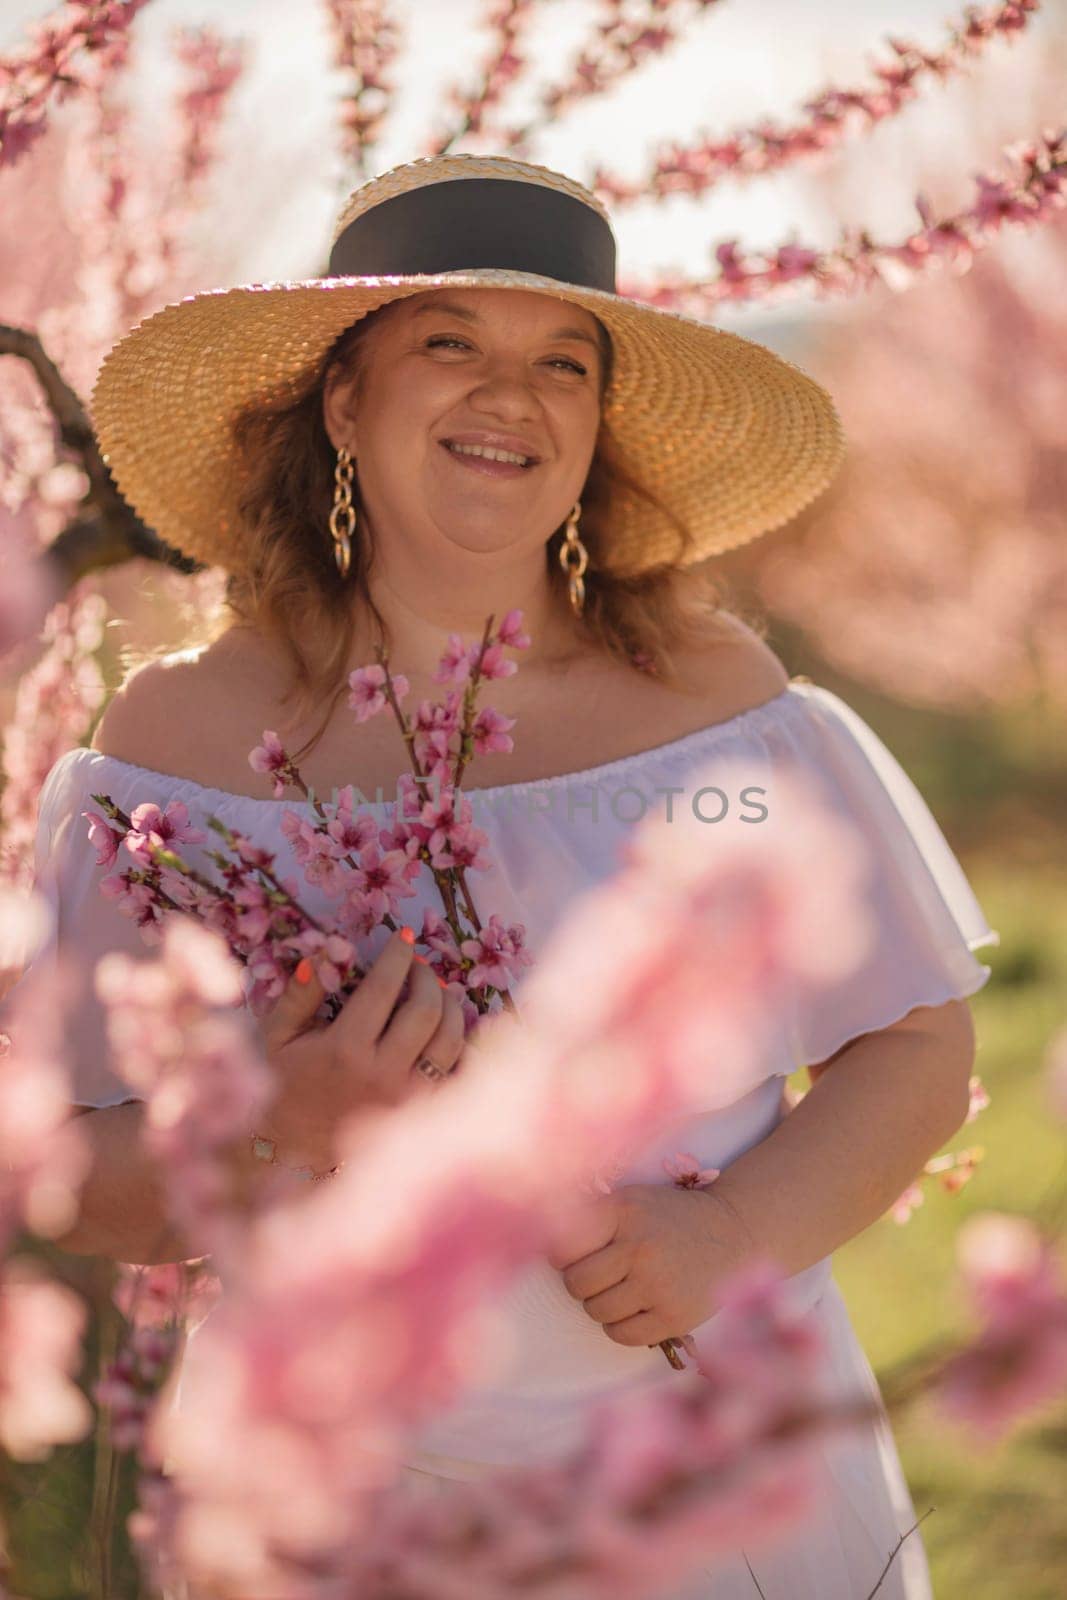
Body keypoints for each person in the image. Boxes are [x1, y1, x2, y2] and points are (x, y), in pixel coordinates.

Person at [10, 153, 999, 1598]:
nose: (511, 397)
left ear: (597, 426)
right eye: (449, 344)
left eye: (563, 363)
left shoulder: (715, 714)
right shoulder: (177, 753)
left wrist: (733, 1231)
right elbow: (63, 1171)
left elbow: (912, 1042)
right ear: (345, 399)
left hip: (712, 1472)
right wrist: (272, 1126)